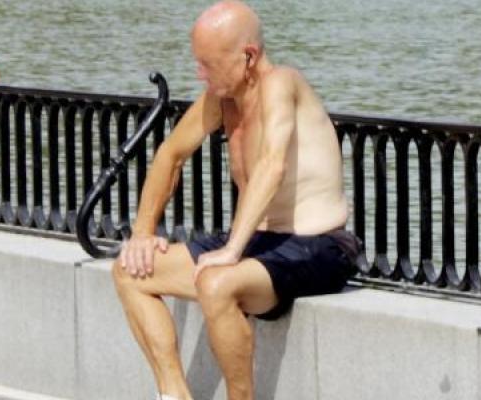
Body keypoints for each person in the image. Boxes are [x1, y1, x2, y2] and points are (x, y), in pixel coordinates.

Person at [111, 1, 360, 399]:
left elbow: (271, 165)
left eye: (208, 64)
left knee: (217, 283)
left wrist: (231, 249)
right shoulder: (220, 99)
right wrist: (142, 233)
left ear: (248, 57)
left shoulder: (282, 83)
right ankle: (173, 394)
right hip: (259, 245)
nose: (199, 73)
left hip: (318, 246)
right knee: (129, 271)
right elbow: (170, 155)